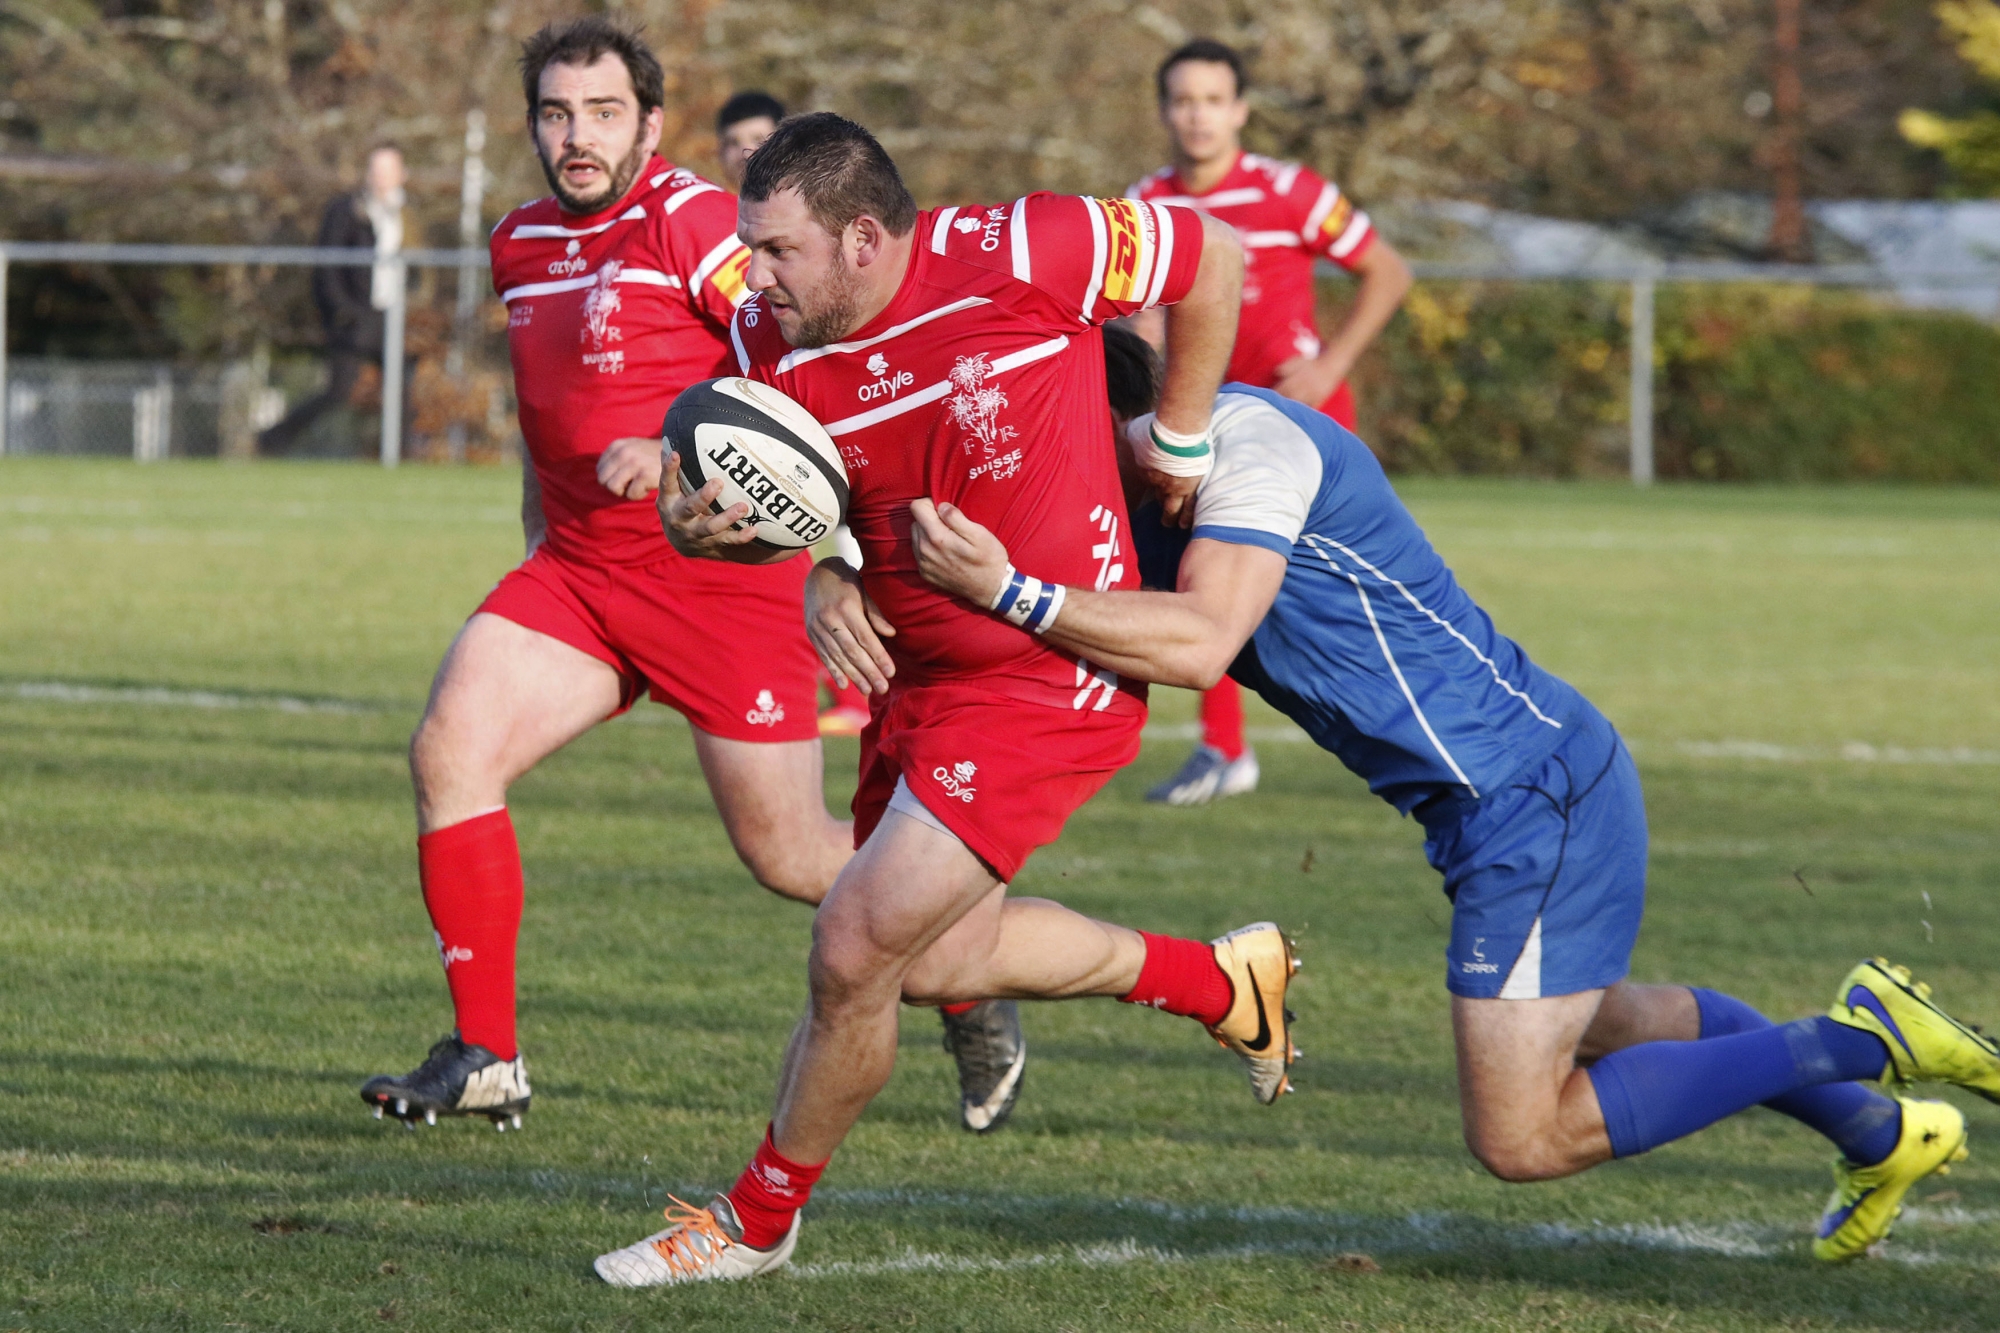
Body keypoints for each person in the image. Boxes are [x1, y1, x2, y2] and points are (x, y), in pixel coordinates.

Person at [907, 324, 2000, 1264]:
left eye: (1029, 434)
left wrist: (1005, 589)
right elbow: (1048, 640)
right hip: (1487, 807)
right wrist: (849, 585)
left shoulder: (1252, 446)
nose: (1014, 464)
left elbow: (1194, 645)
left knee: (1522, 1133)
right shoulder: (1125, 515)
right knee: (1616, 1023)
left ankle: (1864, 1031)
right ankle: (1874, 1132)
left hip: (1534, 792)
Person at [590, 112, 1295, 1287]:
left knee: (854, 940)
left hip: (1048, 671)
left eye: (776, 251)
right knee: (932, 962)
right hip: (915, 681)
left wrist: (1175, 437)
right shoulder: (770, 336)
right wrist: (801, 565)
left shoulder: (1022, 249)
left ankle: (754, 1221)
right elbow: (792, 492)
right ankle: (1219, 980)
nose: (751, 279)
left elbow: (1209, 254)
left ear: (862, 237)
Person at [357, 20, 1013, 1138]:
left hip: (717, 585)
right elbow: (542, 422)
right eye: (556, 113)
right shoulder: (517, 239)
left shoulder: (691, 219)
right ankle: (487, 1054)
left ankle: (968, 979)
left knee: (795, 858)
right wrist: (533, 542)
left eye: (603, 112)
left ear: (650, 123)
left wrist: (675, 450)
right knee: (449, 747)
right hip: (576, 577)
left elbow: (794, 358)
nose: (578, 135)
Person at [1127, 38, 1413, 808]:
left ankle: (1403, 735)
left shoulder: (1292, 192)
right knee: (1193, 581)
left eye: (1213, 100)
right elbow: (1142, 322)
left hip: (1303, 427)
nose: (1198, 116)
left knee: (1337, 598)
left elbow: (1388, 270)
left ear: (1240, 110)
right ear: (1164, 111)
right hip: (1204, 430)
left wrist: (1330, 365)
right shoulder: (1144, 202)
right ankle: (1223, 748)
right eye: (1184, 100)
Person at [715, 88, 874, 739]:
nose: (745, 151)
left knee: (852, 545)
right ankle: (844, 689)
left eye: (759, 137)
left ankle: (859, 693)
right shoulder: (739, 244)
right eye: (733, 143)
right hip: (775, 419)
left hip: (846, 426)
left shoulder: (818, 231)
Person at [259, 144, 416, 455]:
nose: (381, 178)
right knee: (339, 390)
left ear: (402, 175)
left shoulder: (407, 216)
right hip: (355, 316)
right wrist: (343, 311)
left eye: (388, 171)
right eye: (376, 170)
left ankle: (400, 456)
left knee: (401, 389)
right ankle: (273, 439)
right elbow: (327, 267)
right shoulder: (346, 210)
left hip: (392, 315)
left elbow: (419, 262)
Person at [715, 90, 785, 191]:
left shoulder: (808, 203)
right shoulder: (705, 203)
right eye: (733, 142)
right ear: (720, 152)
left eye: (758, 139)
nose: (745, 153)